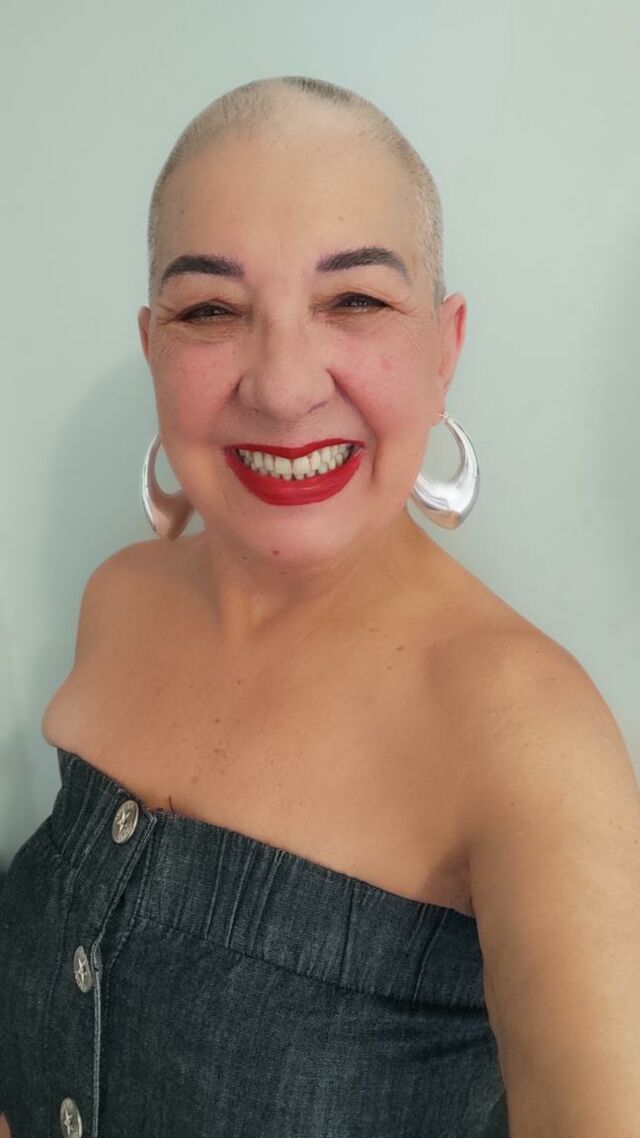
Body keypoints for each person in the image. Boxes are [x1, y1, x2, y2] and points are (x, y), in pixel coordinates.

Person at [1, 75, 638, 1138]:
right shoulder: (118, 597)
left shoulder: (527, 736)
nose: (285, 385)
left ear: (445, 349)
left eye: (355, 301)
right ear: (155, 348)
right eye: (211, 310)